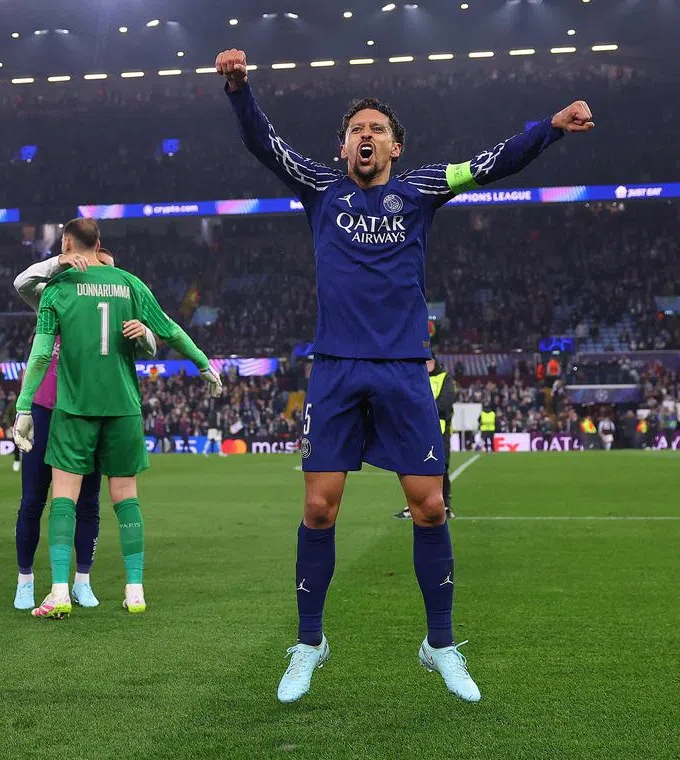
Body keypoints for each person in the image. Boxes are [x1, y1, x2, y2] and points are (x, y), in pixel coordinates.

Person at [216, 46, 592, 704]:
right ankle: (310, 643)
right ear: (342, 148)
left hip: (401, 372)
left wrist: (550, 128)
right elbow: (262, 143)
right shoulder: (320, 187)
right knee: (318, 506)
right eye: (356, 129)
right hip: (334, 368)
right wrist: (239, 91)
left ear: (394, 148)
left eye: (377, 129)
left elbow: (493, 161)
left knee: (430, 505)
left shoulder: (420, 189)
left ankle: (439, 645)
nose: (366, 135)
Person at [12, 218, 222, 619]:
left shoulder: (57, 289)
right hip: (123, 407)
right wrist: (202, 363)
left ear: (68, 242)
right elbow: (172, 331)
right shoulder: (130, 283)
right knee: (126, 498)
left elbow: (41, 355)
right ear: (100, 243)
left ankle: (58, 591)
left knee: (64, 499)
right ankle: (135, 589)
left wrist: (24, 407)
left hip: (74, 409)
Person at [11, 247, 158, 609]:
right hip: (48, 409)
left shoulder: (117, 305)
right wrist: (58, 263)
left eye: (107, 268)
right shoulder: (57, 293)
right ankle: (25, 580)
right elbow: (22, 282)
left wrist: (148, 336)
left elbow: (149, 345)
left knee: (89, 501)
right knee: (33, 499)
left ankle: (82, 581)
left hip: (89, 412)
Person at [396, 357, 457, 520]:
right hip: (416, 430)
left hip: (439, 431)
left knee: (440, 468)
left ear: (435, 362)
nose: (427, 365)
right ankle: (413, 505)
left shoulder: (445, 378)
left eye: (430, 361)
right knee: (413, 468)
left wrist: (420, 407)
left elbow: (445, 405)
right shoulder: (415, 378)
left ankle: (445, 505)